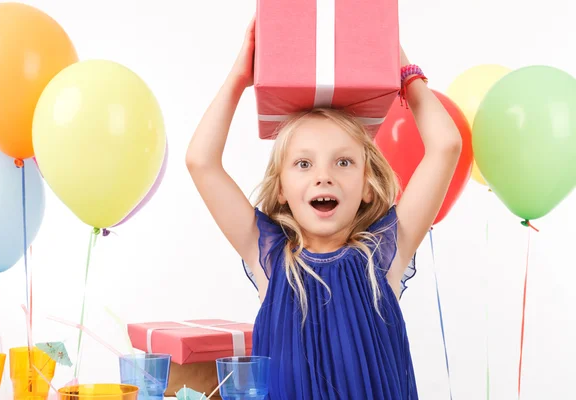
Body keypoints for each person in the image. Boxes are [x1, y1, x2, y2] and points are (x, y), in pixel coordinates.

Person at [186, 16, 462, 400]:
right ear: (281, 188)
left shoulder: (384, 253)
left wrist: (402, 70)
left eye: (343, 162)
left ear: (367, 186)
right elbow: (201, 162)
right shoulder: (267, 253)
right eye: (304, 163)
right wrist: (238, 78)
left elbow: (446, 145)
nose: (324, 176)